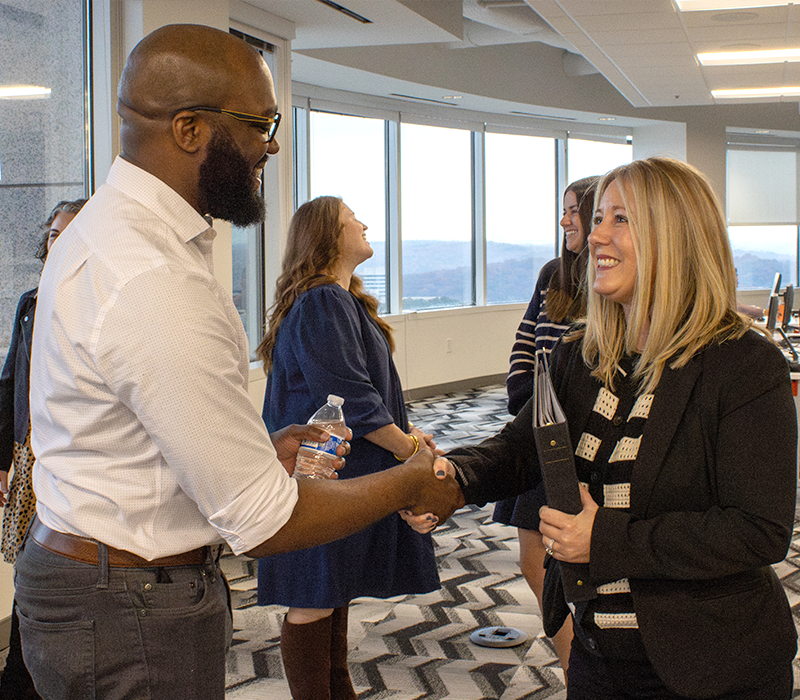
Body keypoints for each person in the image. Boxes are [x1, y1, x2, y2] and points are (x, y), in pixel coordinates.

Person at [14, 24, 461, 700]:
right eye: (260, 124)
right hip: (128, 606)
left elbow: (126, 434)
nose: (271, 145)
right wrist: (412, 480)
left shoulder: (107, 232)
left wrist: (257, 451)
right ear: (189, 129)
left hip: (100, 582)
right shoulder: (153, 276)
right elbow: (262, 520)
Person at [424, 157, 797, 698]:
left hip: (711, 665)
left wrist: (605, 539)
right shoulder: (580, 355)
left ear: (675, 236)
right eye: (598, 217)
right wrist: (450, 476)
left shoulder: (743, 365)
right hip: (597, 653)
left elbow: (757, 530)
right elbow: (523, 449)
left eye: (620, 219)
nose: (595, 234)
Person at [255, 196, 444, 699]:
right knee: (314, 597)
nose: (362, 223)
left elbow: (365, 393)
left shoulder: (335, 300)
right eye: (351, 218)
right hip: (322, 475)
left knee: (330, 595)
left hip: (333, 473)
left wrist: (408, 434)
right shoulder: (323, 301)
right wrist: (411, 452)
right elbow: (352, 399)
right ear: (328, 236)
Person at [493, 176, 598, 676]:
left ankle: (585, 667)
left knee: (569, 562)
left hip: (578, 436)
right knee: (532, 558)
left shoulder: (610, 278)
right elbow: (526, 338)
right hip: (537, 423)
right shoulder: (553, 273)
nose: (564, 221)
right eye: (565, 211)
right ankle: (574, 665)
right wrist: (523, 394)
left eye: (574, 211)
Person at [0, 198, 86, 700]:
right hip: (33, 453)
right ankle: (21, 677)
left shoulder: (100, 298)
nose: (60, 242)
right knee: (31, 565)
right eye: (54, 234)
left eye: (71, 233)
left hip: (78, 458)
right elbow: (11, 377)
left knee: (61, 568)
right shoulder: (31, 303)